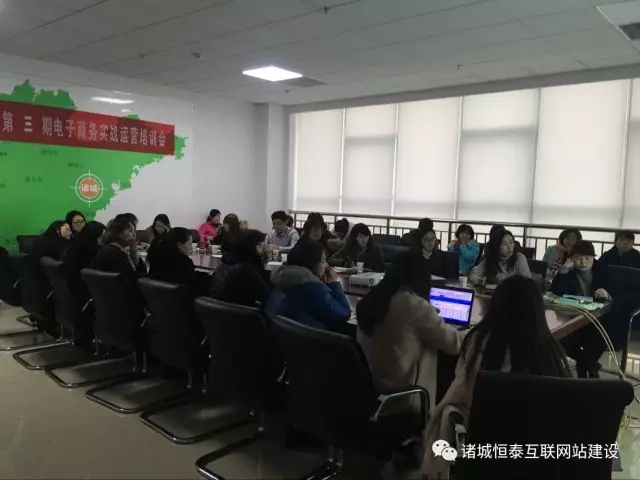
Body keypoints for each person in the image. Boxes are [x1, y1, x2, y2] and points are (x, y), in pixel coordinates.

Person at [423, 276, 571, 478]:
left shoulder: (477, 340)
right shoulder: (549, 351)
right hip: (534, 449)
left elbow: (461, 383)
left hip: (484, 440)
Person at [357, 252, 464, 413]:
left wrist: (428, 315)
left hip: (373, 389)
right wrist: (471, 333)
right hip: (405, 398)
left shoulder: (374, 298)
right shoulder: (414, 305)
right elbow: (454, 344)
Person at [550, 240, 610, 378]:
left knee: (599, 337)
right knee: (560, 339)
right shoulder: (569, 272)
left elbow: (616, 291)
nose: (583, 262)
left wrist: (607, 294)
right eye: (578, 258)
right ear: (571, 258)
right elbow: (556, 290)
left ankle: (584, 366)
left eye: (587, 258)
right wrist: (564, 270)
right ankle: (590, 365)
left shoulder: (602, 269)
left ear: (593, 258)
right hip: (575, 317)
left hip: (598, 318)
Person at [270, 240, 351, 332]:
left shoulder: (281, 279)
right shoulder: (312, 288)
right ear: (312, 263)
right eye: (323, 260)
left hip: (282, 338)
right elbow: (344, 314)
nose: (326, 265)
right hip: (311, 339)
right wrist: (334, 283)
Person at [61, 221, 106, 345]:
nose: (103, 240)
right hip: (86, 294)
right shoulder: (90, 253)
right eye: (101, 237)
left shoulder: (73, 248)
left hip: (74, 293)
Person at [210, 229, 273, 308]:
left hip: (219, 309)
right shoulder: (248, 269)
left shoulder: (224, 263)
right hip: (242, 312)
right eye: (260, 245)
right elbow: (267, 297)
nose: (263, 249)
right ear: (250, 246)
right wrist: (265, 267)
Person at [147, 227, 209, 297]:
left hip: (156, 299)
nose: (191, 248)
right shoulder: (183, 262)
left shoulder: (156, 258)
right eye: (189, 244)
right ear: (179, 244)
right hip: (178, 300)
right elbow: (192, 285)